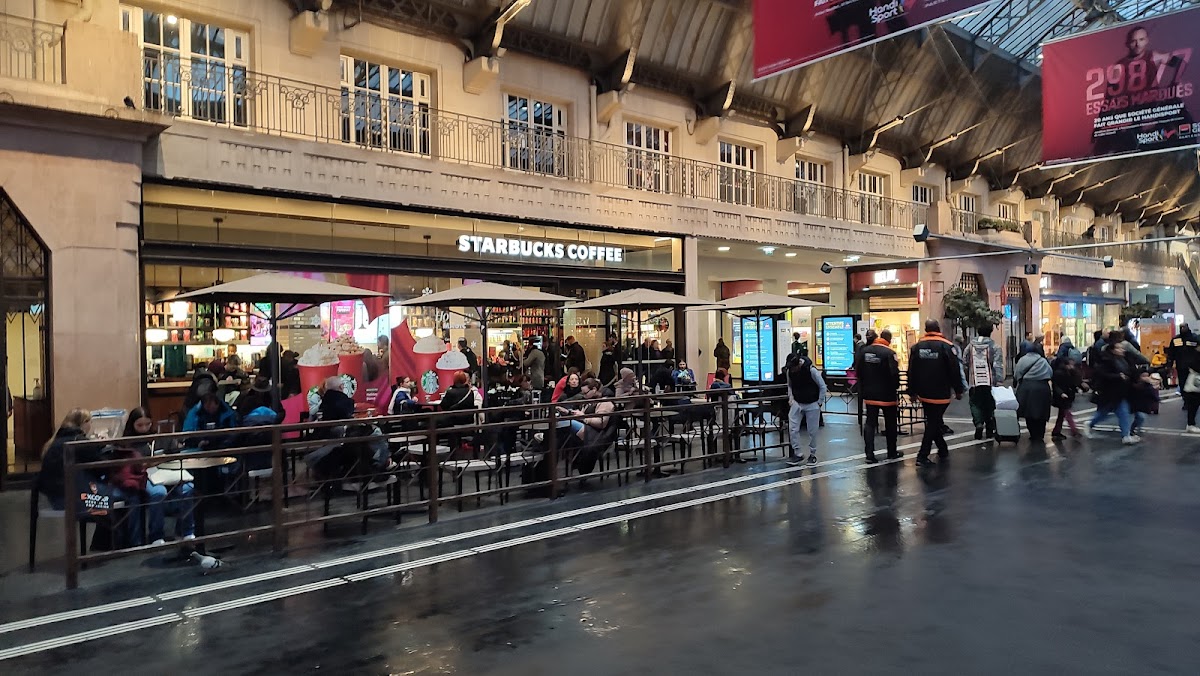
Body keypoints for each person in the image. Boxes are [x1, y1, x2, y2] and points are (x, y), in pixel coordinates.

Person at [122, 408, 195, 545]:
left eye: (147, 424)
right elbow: (131, 466)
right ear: (132, 424)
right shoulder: (128, 443)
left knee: (188, 488)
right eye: (140, 425)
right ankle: (156, 535)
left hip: (168, 472)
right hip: (143, 475)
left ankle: (186, 531)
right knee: (158, 492)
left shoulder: (160, 438)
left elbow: (175, 452)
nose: (144, 428)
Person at [907, 320, 964, 468]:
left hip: (923, 392)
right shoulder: (947, 346)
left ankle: (942, 449)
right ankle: (922, 455)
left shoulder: (917, 347)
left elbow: (911, 371)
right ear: (938, 328)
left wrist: (912, 391)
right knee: (933, 422)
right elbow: (954, 370)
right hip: (941, 392)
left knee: (933, 420)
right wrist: (958, 390)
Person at [856, 329, 902, 463]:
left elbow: (858, 371)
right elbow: (894, 374)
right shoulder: (889, 353)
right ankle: (891, 452)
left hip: (870, 394)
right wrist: (895, 387)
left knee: (870, 423)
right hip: (887, 395)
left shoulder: (865, 351)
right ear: (889, 339)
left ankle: (869, 454)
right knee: (890, 423)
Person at [1087, 335, 1139, 444]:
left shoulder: (1124, 360)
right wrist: (1118, 376)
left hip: (1120, 392)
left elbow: (1131, 372)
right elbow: (1102, 375)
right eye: (1119, 348)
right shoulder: (1106, 360)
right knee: (1104, 413)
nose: (1122, 350)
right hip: (1110, 392)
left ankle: (1126, 435)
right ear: (1113, 350)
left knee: (1122, 412)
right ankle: (1090, 424)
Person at [784, 351, 827, 466]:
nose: (792, 370)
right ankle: (798, 453)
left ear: (798, 364)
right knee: (793, 428)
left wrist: (819, 402)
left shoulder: (811, 370)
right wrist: (791, 398)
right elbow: (790, 385)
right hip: (797, 402)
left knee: (812, 430)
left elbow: (822, 386)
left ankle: (813, 454)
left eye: (793, 368)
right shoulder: (790, 372)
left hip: (812, 402)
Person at [964, 325, 1004, 440]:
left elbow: (964, 360)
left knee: (975, 404)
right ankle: (990, 428)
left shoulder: (970, 346)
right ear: (991, 332)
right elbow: (998, 365)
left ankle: (978, 424)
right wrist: (999, 380)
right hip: (990, 382)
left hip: (974, 382)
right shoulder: (995, 347)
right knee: (990, 404)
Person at [1014, 341, 1053, 441]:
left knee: (1029, 412)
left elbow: (1017, 373)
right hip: (1042, 388)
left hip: (1027, 387)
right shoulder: (1043, 361)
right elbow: (1050, 372)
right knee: (1042, 412)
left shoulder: (1023, 360)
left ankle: (1033, 433)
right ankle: (1040, 434)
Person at [1165, 322, 1200, 432]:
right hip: (1182, 368)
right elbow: (1171, 354)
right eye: (1181, 327)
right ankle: (1187, 402)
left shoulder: (1195, 338)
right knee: (1185, 387)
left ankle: (1189, 404)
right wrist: (1169, 366)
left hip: (1194, 369)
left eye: (1184, 327)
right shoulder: (1175, 340)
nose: (1182, 328)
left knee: (1192, 391)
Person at [1051, 356, 1083, 439]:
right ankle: (1074, 431)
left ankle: (1057, 432)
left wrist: (1078, 387)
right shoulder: (1060, 373)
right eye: (1071, 365)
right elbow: (1056, 385)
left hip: (1066, 395)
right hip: (1063, 397)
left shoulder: (1069, 372)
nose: (1072, 366)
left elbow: (1073, 383)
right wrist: (1061, 393)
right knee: (1066, 414)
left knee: (1062, 415)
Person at [1130, 372, 1160, 437]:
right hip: (1136, 405)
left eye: (1147, 376)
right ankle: (1132, 429)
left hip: (1142, 406)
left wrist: (1156, 398)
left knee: (1140, 418)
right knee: (1140, 417)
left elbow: (1153, 394)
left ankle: (1135, 429)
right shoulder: (1137, 385)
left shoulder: (1148, 385)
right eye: (1144, 376)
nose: (1147, 377)